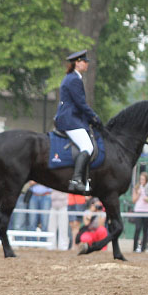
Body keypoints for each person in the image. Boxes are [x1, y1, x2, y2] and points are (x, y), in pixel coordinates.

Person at [53, 49, 102, 192]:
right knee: (88, 146)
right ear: (77, 63)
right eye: (84, 62)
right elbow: (81, 104)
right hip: (70, 120)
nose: (87, 64)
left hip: (71, 117)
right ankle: (76, 179)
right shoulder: (74, 79)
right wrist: (94, 117)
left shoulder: (72, 77)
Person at [131, 171, 148, 253]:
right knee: (137, 229)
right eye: (141, 179)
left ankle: (143, 248)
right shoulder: (137, 188)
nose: (142, 181)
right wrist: (138, 194)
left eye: (143, 179)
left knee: (145, 230)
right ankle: (134, 248)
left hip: (147, 211)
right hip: (138, 210)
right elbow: (133, 200)